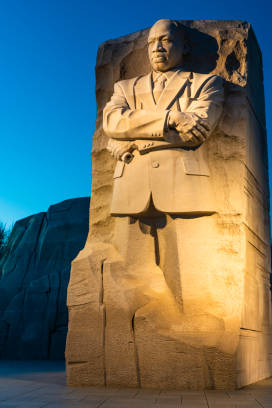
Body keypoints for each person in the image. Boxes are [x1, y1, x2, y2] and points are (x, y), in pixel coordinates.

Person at [103, 19, 225, 324]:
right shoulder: (124, 87)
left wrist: (130, 138)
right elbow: (112, 124)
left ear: (184, 48)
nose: (158, 47)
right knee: (127, 277)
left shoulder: (206, 83)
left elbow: (197, 132)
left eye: (167, 40)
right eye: (152, 41)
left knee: (189, 277)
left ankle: (190, 335)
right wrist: (172, 117)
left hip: (183, 185)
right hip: (131, 185)